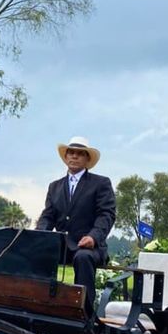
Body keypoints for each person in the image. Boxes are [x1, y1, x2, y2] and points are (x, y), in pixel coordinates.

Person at [34, 135, 116, 315]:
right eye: (71, 152)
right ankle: (37, 306)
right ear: (65, 157)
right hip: (62, 246)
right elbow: (48, 216)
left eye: (80, 153)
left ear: (87, 159)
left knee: (83, 257)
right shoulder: (54, 187)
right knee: (35, 253)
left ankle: (85, 314)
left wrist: (93, 237)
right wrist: (39, 234)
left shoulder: (101, 183)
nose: (74, 156)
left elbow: (106, 214)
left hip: (90, 248)